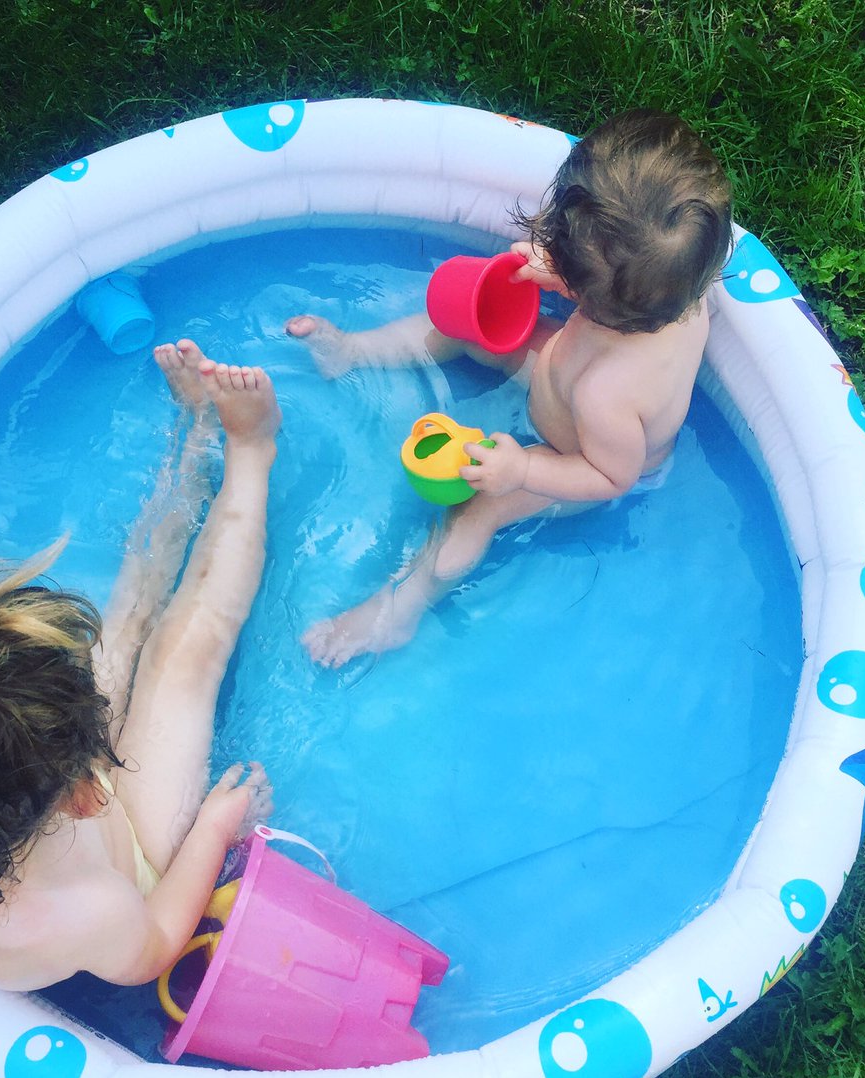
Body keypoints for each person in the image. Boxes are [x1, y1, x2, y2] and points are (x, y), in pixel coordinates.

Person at [0, 340, 282, 991]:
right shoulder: (81, 916)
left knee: (128, 621)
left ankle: (195, 434)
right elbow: (154, 950)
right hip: (140, 853)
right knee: (185, 654)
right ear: (85, 796)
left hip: (15, 796)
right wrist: (214, 826)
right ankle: (249, 450)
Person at [288, 109, 733, 666]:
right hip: (561, 378)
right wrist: (566, 275)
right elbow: (628, 274)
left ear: (594, 297)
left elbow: (612, 475)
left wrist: (521, 471)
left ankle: (399, 608)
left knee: (477, 509)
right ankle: (354, 352)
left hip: (574, 455)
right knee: (469, 328)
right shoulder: (679, 288)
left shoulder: (609, 393)